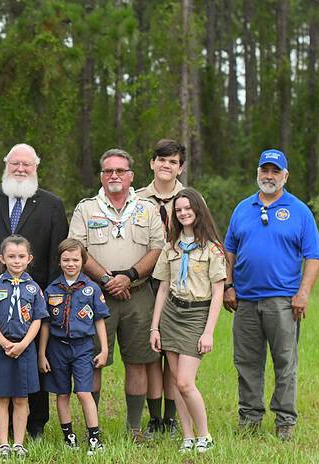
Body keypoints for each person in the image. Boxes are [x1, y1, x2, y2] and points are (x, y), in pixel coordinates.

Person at [0, 143, 68, 438]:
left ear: (36, 167)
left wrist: (51, 295)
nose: (21, 169)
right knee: (2, 357)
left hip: (35, 299)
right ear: (6, 165)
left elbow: (57, 253)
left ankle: (35, 424)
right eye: (15, 164)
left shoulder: (52, 204)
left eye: (27, 164)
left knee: (35, 360)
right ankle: (6, 426)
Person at [223, 149, 319, 441]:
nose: (269, 176)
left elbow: (313, 255)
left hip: (284, 301)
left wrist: (303, 293)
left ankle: (285, 422)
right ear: (257, 173)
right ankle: (250, 419)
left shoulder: (299, 210)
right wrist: (228, 285)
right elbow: (229, 249)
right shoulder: (243, 208)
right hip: (246, 300)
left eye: (275, 171)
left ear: (285, 176)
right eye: (264, 170)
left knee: (285, 362)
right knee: (247, 362)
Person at [69, 148, 165, 441]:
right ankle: (92, 430)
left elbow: (157, 248)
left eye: (120, 171)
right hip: (96, 295)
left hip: (137, 292)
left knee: (138, 361)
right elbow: (77, 250)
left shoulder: (147, 208)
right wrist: (110, 279)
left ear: (131, 176)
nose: (114, 176)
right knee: (95, 360)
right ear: (101, 175)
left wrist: (130, 277)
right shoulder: (86, 208)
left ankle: (134, 429)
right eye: (108, 171)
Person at [149, 188, 226, 453]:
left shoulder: (213, 249)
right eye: (178, 210)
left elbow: (218, 293)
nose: (183, 213)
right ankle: (187, 436)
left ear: (198, 211)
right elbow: (162, 287)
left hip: (196, 315)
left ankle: (204, 435)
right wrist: (154, 327)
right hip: (172, 313)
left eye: (187, 209)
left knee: (184, 381)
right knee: (175, 382)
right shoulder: (171, 247)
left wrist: (209, 332)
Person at [0, 235, 48, 458]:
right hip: (1, 349)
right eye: (11, 256)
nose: (16, 261)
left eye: (21, 256)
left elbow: (38, 319)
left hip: (25, 350)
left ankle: (18, 443)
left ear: (29, 258)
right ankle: (3, 443)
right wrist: (4, 342)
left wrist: (25, 343)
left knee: (21, 398)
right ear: (2, 258)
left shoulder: (34, 289)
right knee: (2, 397)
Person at [38, 238, 110, 455]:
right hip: (57, 347)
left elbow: (99, 319)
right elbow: (46, 324)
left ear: (83, 261)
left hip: (83, 347)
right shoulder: (51, 290)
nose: (71, 264)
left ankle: (94, 439)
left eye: (75, 259)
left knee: (83, 392)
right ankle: (69, 437)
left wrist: (104, 349)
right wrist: (42, 353)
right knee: (62, 393)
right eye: (66, 260)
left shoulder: (92, 289)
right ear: (59, 262)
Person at [136, 139, 186, 438]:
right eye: (161, 160)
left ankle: (171, 417)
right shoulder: (138, 199)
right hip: (147, 280)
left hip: (179, 282)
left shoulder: (190, 198)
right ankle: (154, 419)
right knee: (151, 352)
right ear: (152, 163)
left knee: (174, 351)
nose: (166, 166)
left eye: (173, 162)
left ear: (180, 167)